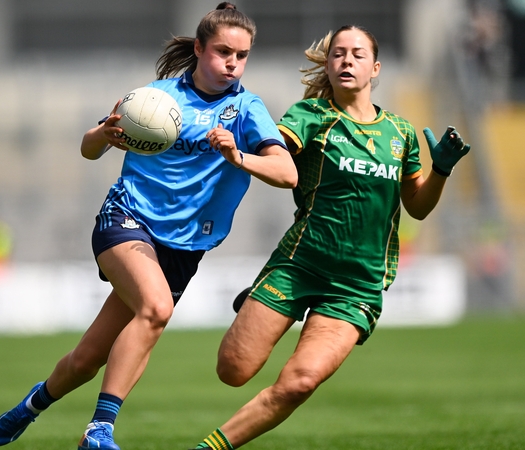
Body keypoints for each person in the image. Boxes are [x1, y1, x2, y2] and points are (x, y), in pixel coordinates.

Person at [0, 3, 297, 450]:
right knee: (156, 308)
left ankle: (31, 405)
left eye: (242, 55)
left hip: (183, 248)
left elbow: (287, 173)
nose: (233, 63)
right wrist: (104, 135)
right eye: (223, 52)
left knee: (87, 358)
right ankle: (99, 430)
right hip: (127, 219)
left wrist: (238, 156)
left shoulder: (247, 109)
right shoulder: (156, 100)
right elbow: (88, 147)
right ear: (199, 48)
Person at [191, 25, 470, 450]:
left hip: (355, 286)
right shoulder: (310, 117)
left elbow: (417, 206)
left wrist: (441, 171)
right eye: (338, 54)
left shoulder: (401, 133)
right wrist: (239, 154)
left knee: (299, 383)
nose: (345, 61)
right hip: (299, 265)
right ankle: (259, 300)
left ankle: (209, 447)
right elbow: (277, 162)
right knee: (232, 370)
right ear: (328, 64)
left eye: (357, 54)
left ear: (375, 68)